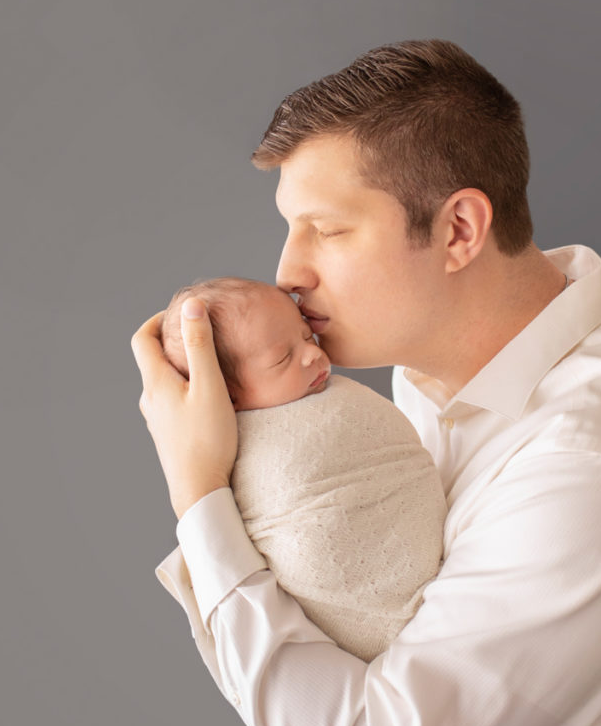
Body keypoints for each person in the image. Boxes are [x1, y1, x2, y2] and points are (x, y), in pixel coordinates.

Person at [132, 40, 601, 726]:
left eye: (328, 229)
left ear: (457, 229)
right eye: (291, 226)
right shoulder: (431, 360)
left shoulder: (588, 467)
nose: (289, 269)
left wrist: (200, 499)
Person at [159, 276, 446, 661]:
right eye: (282, 358)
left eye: (307, 338)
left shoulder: (352, 397)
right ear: (225, 396)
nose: (312, 355)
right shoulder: (243, 449)